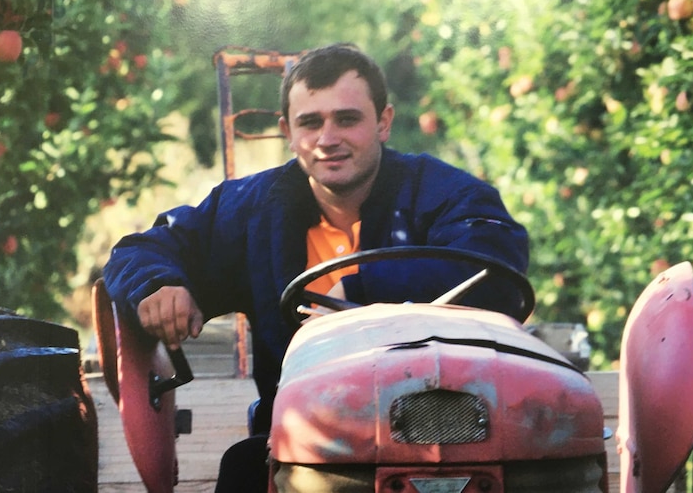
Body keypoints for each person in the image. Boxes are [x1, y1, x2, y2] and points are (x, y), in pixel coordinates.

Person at [102, 43, 529, 492]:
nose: (328, 138)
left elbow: (496, 263)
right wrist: (160, 285)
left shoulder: (442, 191)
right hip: (303, 440)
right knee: (243, 468)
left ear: (383, 122)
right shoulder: (249, 210)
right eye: (310, 122)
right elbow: (138, 251)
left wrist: (364, 291)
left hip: (447, 429)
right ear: (287, 131)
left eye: (347, 119)